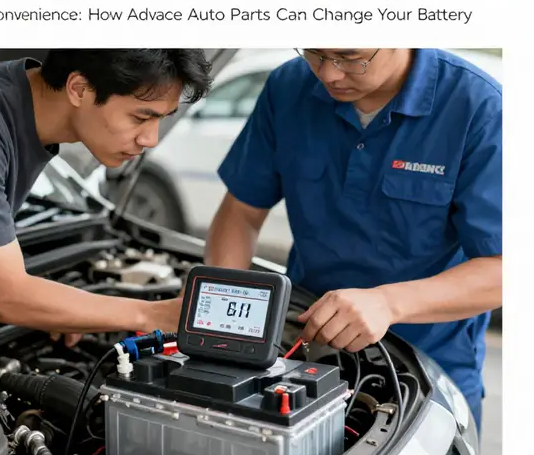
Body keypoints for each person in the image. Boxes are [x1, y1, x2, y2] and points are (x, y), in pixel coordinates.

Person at [204, 48, 501, 431]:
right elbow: (241, 212)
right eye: (314, 53)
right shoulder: (289, 86)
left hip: (430, 370)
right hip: (306, 347)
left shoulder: (479, 107)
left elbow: (502, 271)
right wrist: (223, 313)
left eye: (349, 57)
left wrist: (388, 304)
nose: (328, 74)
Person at [0, 49, 212, 343]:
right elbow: (6, 297)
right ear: (79, 89)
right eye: (140, 117)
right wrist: (151, 315)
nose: (150, 139)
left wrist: (58, 304)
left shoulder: (17, 107)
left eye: (162, 119)